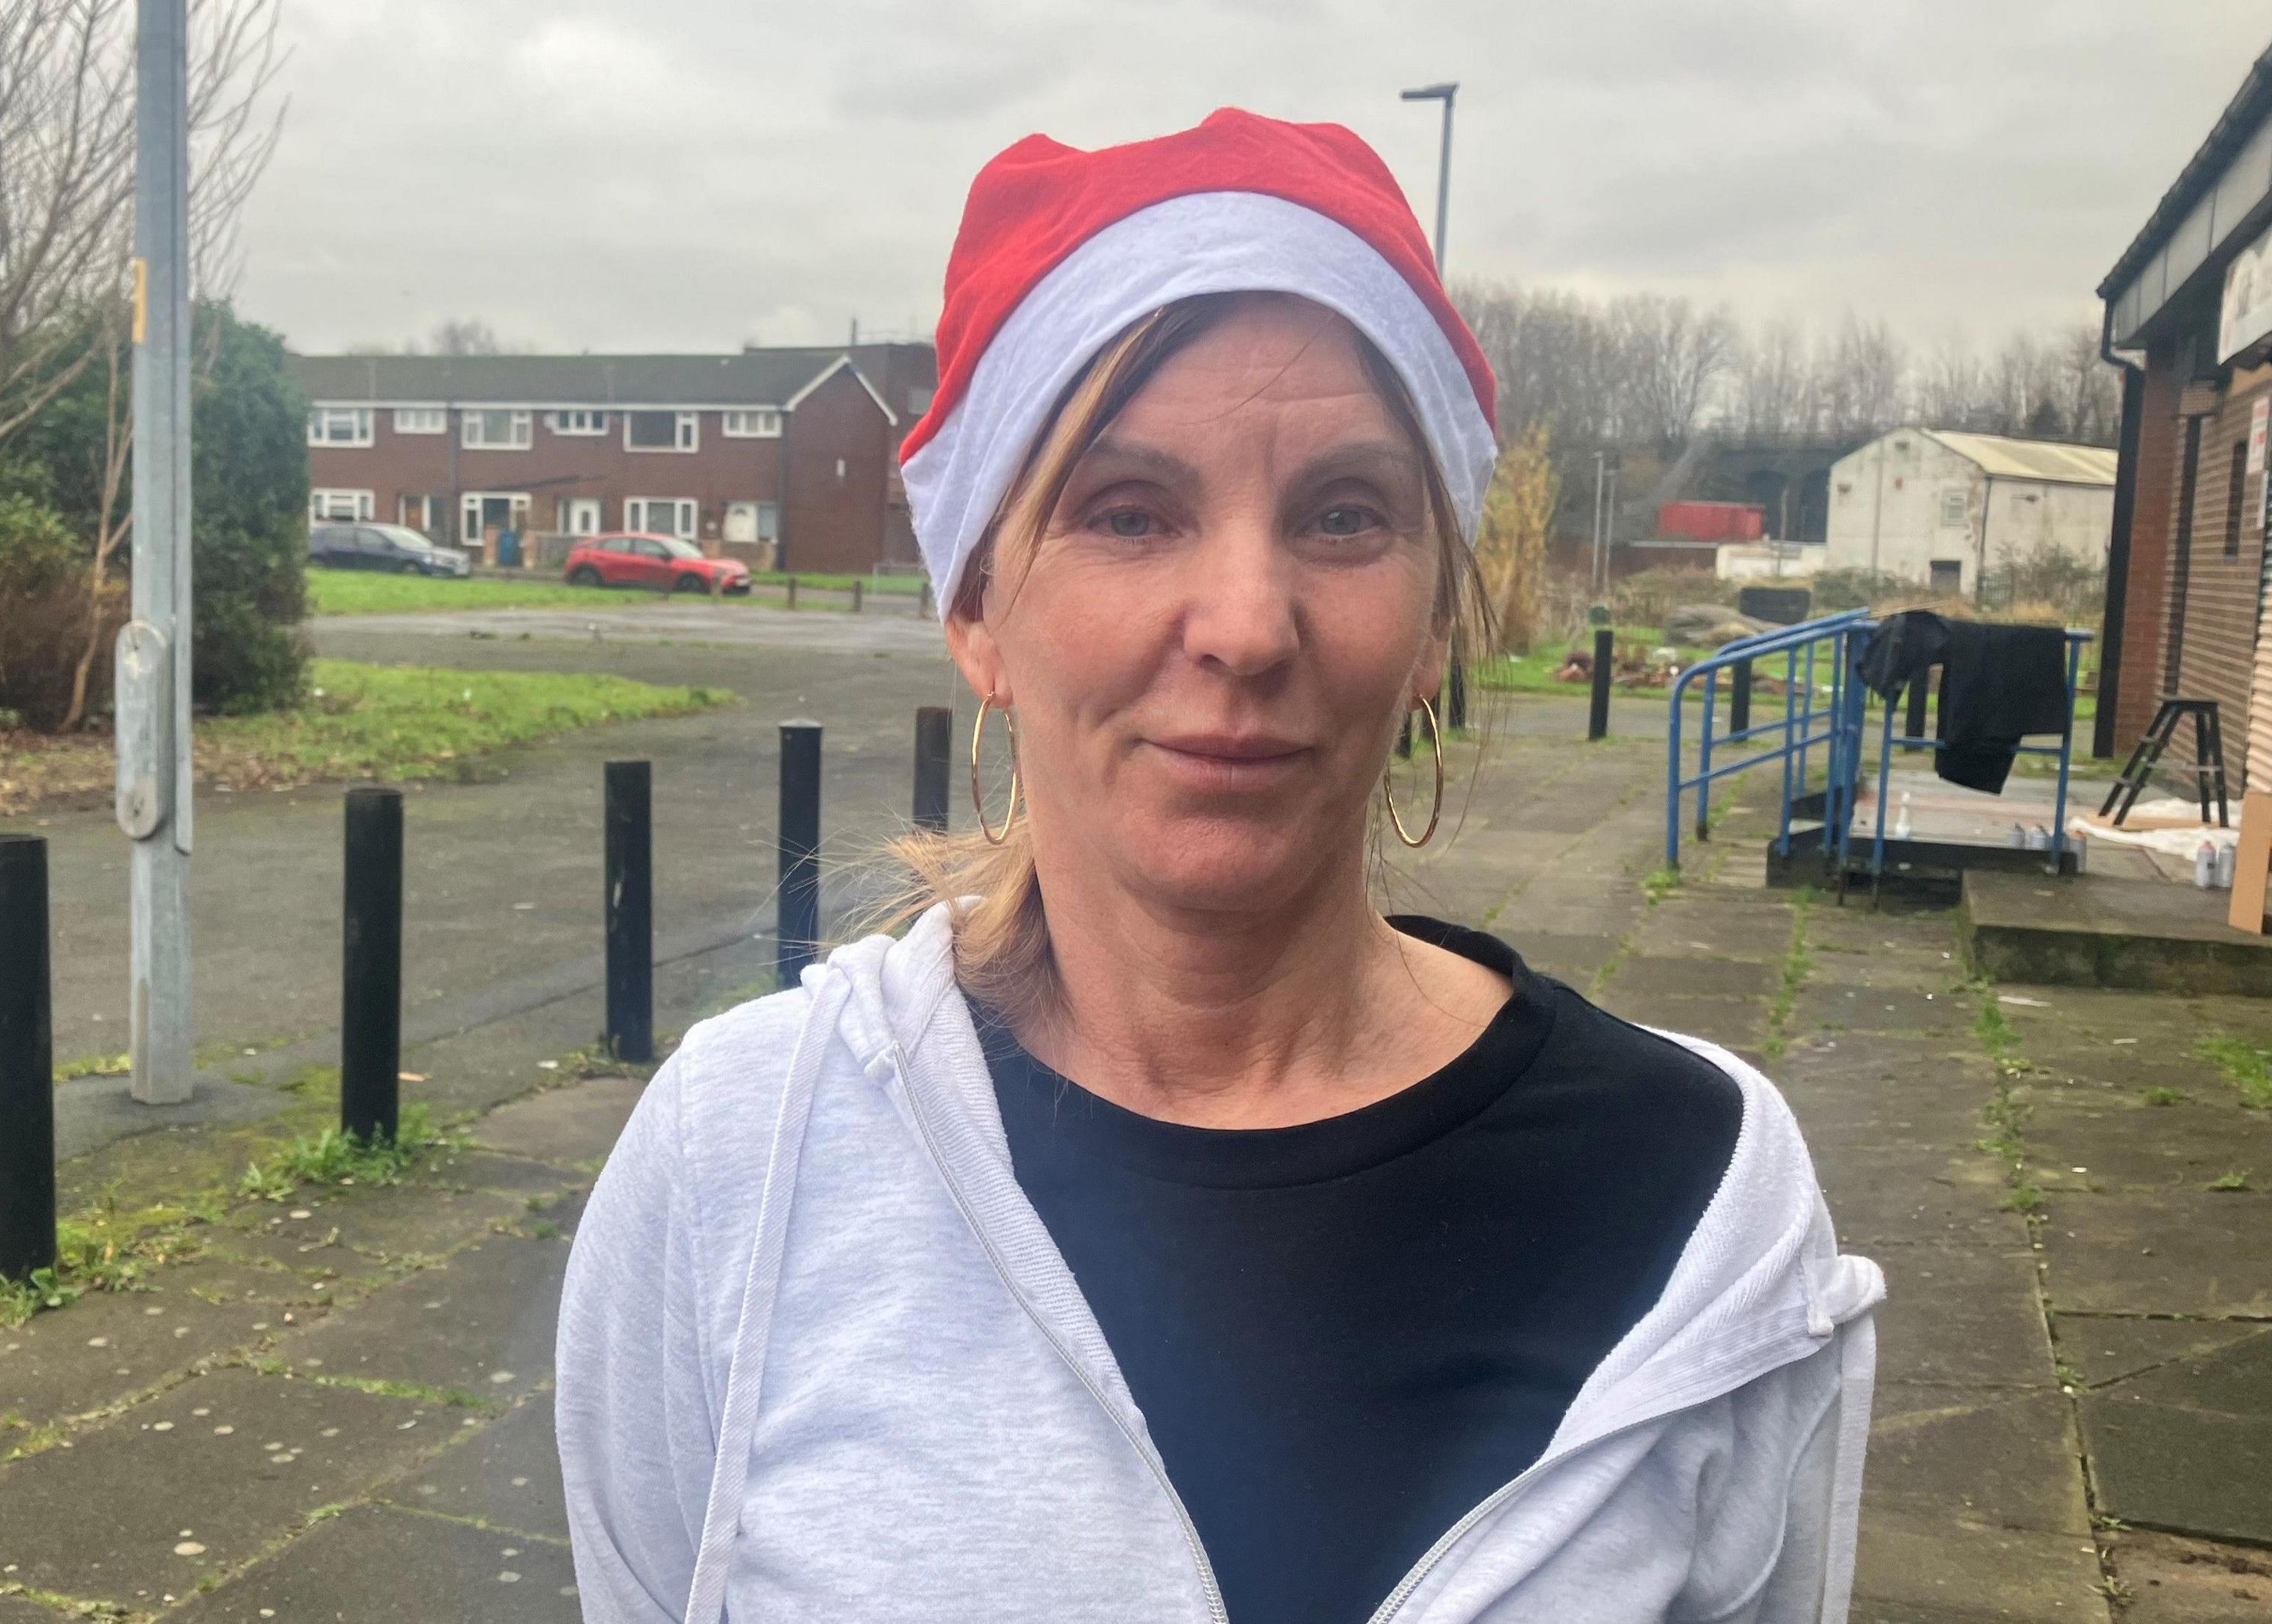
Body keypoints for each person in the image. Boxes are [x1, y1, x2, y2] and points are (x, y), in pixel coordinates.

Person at [558, 110, 1882, 1624]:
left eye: (1344, 515)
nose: (1247, 624)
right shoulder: (746, 1163)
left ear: (1439, 609)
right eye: (1130, 513)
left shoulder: (1708, 1199)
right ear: (979, 606)